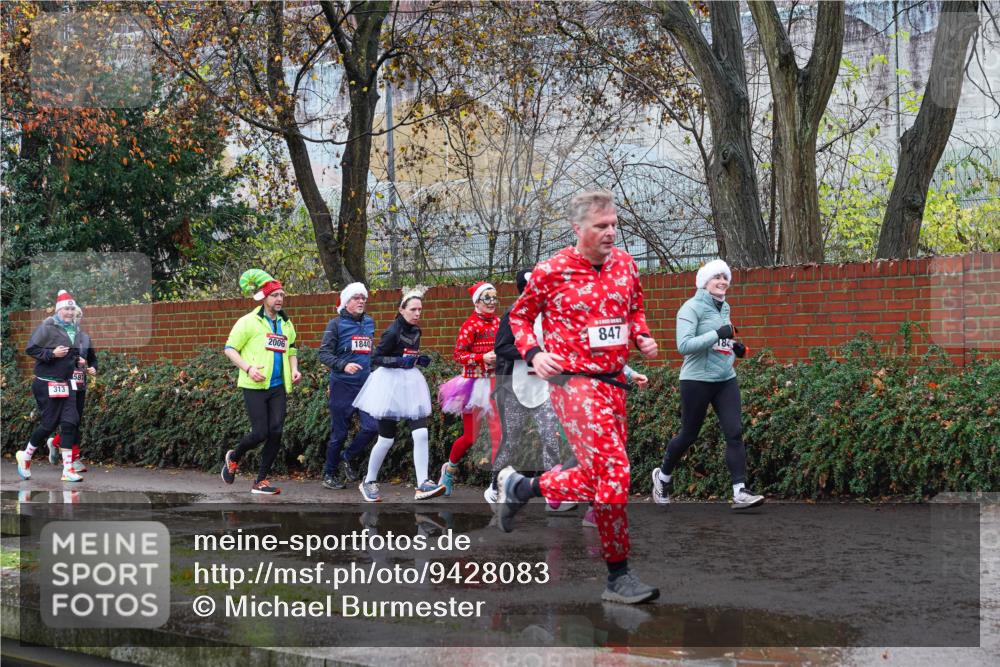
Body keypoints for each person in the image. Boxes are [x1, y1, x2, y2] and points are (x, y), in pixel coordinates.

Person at [496, 191, 661, 605]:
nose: (610, 232)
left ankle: (523, 487)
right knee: (617, 473)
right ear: (578, 229)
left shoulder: (626, 264)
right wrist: (535, 352)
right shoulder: (551, 271)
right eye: (600, 226)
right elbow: (518, 315)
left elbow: (634, 310)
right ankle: (618, 576)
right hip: (573, 383)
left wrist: (640, 335)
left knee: (600, 476)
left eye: (613, 225)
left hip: (613, 382)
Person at [651, 259, 765, 510]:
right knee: (688, 435)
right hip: (696, 380)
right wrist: (718, 334)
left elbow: (721, 343)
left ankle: (740, 491)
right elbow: (684, 346)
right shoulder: (690, 308)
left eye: (725, 278)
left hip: (725, 379)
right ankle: (663, 477)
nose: (722, 282)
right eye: (717, 278)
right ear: (705, 282)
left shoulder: (724, 308)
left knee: (734, 433)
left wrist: (736, 348)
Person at [352, 286, 446, 502]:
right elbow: (375, 358)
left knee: (421, 433)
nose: (417, 314)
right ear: (402, 310)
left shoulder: (417, 330)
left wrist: (417, 360)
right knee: (385, 439)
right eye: (413, 309)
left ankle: (423, 483)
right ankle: (369, 480)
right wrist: (398, 362)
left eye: (420, 310)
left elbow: (409, 353)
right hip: (389, 386)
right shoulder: (392, 331)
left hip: (411, 384)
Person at [485, 268, 564, 506]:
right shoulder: (513, 313)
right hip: (515, 388)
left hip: (544, 386)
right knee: (512, 440)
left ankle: (553, 490)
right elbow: (501, 348)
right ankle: (493, 485)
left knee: (550, 437)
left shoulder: (549, 315)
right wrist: (531, 353)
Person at [220, 269, 301, 495]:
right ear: (264, 298)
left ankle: (261, 481)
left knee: (276, 431)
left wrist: (294, 369)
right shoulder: (248, 322)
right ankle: (234, 457)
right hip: (254, 385)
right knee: (260, 433)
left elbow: (292, 348)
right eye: (275, 295)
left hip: (277, 386)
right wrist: (248, 368)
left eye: (282, 295)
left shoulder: (286, 324)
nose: (279, 299)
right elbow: (230, 349)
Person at [436, 281, 502, 496]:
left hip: (495, 384)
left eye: (494, 298)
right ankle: (449, 469)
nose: (492, 302)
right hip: (474, 386)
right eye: (487, 298)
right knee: (471, 437)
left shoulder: (500, 323)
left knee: (497, 434)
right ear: (477, 302)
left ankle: (496, 482)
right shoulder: (470, 325)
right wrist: (482, 357)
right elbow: (459, 355)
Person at [16, 290, 86, 482]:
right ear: (59, 310)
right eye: (66, 309)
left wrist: (77, 360)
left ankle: (68, 470)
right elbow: (31, 348)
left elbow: (70, 353)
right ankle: (26, 455)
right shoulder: (47, 327)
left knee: (70, 423)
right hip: (46, 383)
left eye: (72, 309)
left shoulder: (75, 331)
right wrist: (52, 353)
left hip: (67, 382)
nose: (70, 312)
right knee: (49, 425)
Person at [317, 282, 379, 490]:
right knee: (339, 433)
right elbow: (323, 353)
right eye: (356, 298)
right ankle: (329, 473)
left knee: (372, 427)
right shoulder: (335, 324)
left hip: (366, 385)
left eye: (363, 298)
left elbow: (371, 352)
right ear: (346, 302)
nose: (361, 301)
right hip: (342, 385)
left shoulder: (369, 323)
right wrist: (343, 365)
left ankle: (347, 456)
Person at [46, 305, 97, 475]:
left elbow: (93, 360)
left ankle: (56, 443)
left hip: (80, 384)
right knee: (70, 421)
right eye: (72, 316)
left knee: (77, 421)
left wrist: (92, 368)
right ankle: (73, 458)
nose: (75, 320)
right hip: (65, 383)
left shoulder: (85, 339)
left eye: (78, 317)